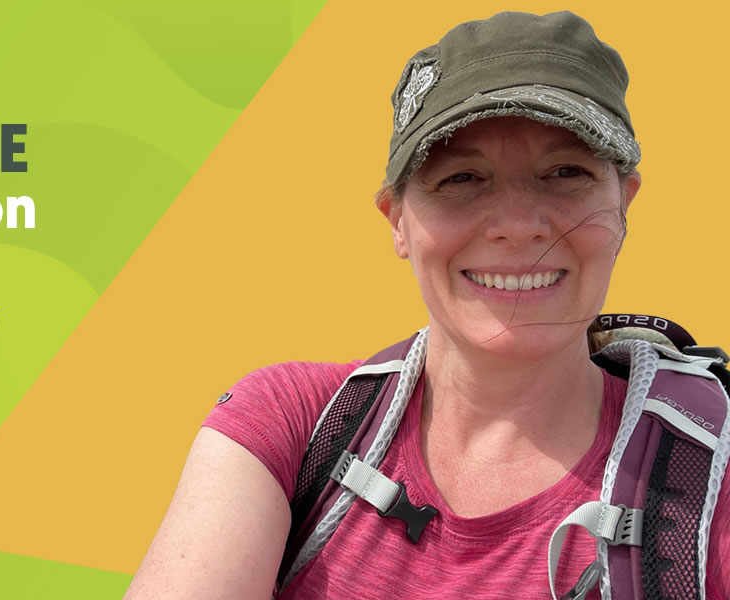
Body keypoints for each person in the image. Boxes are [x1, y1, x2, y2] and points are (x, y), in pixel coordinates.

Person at [125, 11, 730, 600]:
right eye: (461, 178)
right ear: (397, 222)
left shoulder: (716, 471)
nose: (519, 224)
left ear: (624, 204)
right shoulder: (290, 423)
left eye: (566, 172)